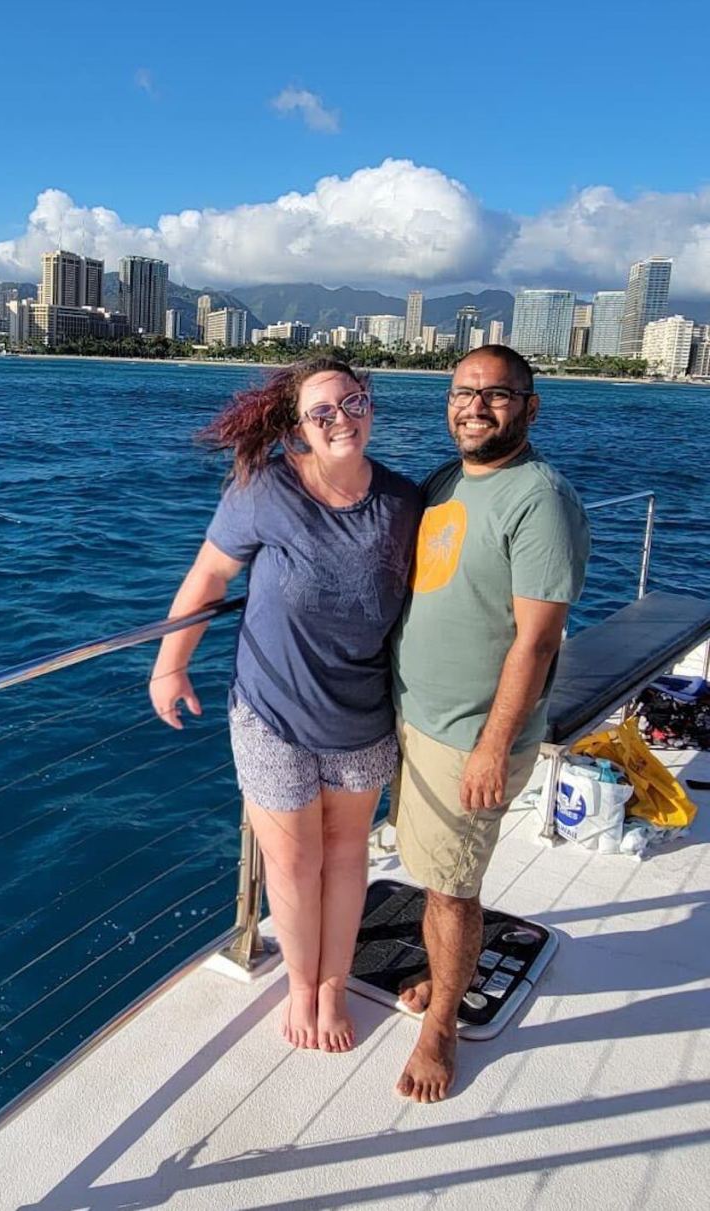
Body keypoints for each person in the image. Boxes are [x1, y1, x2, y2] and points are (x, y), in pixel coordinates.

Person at [150, 358, 420, 1052]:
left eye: (351, 403)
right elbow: (210, 574)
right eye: (321, 412)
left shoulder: (402, 503)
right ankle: (305, 984)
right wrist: (170, 665)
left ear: (370, 405)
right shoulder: (266, 489)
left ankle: (336, 984)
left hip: (361, 713)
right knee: (295, 862)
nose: (340, 419)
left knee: (345, 851)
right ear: (298, 426)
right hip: (270, 711)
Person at [390, 344, 590, 1102]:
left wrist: (493, 746)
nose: (475, 406)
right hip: (415, 716)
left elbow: (537, 640)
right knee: (437, 872)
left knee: (451, 889)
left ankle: (442, 1025)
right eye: (463, 392)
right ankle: (443, 976)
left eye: (497, 394)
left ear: (531, 408)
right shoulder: (447, 481)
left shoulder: (540, 499)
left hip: (471, 734)